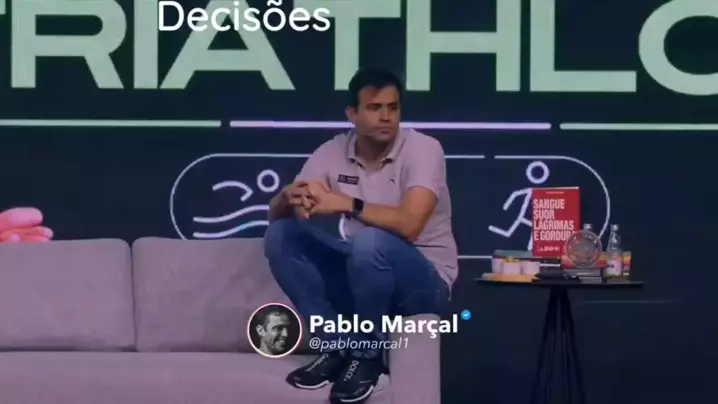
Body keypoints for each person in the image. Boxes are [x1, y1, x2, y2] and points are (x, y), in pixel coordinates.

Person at [263, 68, 457, 404]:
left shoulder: (424, 149)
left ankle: (367, 355)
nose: (386, 117)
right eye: (374, 108)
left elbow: (410, 225)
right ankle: (335, 346)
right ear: (352, 114)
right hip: (364, 275)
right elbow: (280, 213)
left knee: (369, 242)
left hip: (424, 284)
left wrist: (346, 203)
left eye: (392, 107)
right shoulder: (333, 150)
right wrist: (289, 196)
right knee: (282, 234)